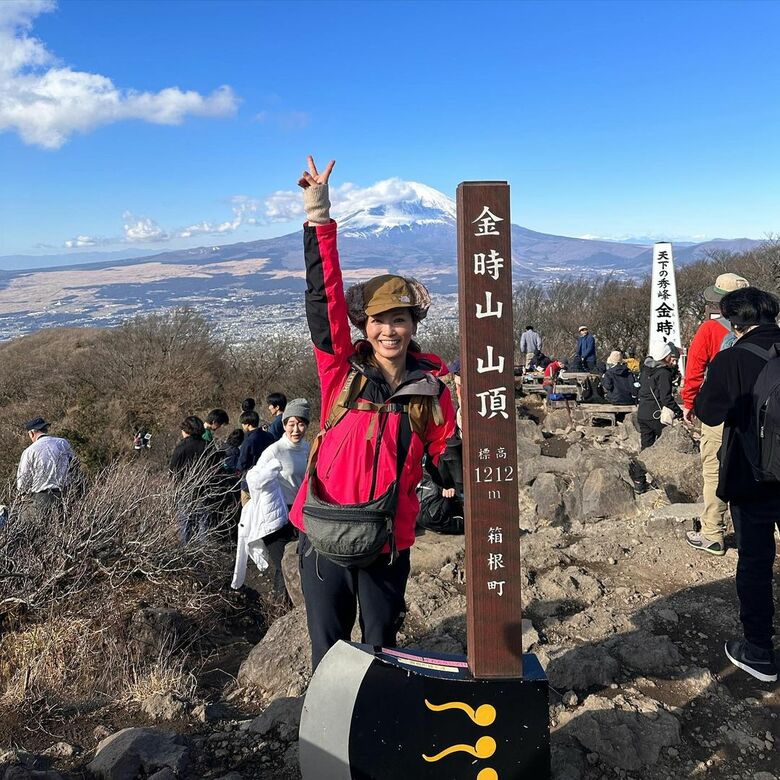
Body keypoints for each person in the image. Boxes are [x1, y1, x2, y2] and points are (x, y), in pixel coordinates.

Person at [290, 156, 456, 670]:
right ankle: (329, 746)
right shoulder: (341, 373)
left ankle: (377, 738)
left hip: (387, 538)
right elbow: (325, 302)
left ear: (413, 324)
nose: (389, 330)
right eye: (379, 320)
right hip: (322, 529)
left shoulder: (430, 390)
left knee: (383, 643)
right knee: (329, 650)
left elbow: (448, 451)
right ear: (365, 325)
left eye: (399, 320)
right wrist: (319, 217)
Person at [692, 286, 780, 682]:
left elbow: (708, 412)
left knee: (758, 561)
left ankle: (759, 651)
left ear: (734, 321)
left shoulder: (733, 359)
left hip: (753, 476)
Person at [682, 272, 750, 556]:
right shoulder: (761, 330)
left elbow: (695, 370)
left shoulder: (710, 330)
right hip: (754, 413)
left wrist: (689, 403)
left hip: (719, 413)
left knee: (714, 472)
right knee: (756, 469)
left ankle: (712, 533)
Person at [234, 398, 311, 604]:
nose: (296, 429)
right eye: (291, 424)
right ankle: (280, 614)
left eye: (301, 423)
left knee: (298, 564)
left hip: (299, 515)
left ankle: (286, 613)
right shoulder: (274, 451)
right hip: (276, 517)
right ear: (284, 424)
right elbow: (252, 478)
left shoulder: (308, 449)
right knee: (283, 566)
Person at [16, 417, 78, 512]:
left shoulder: (29, 451)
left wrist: (23, 495)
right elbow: (74, 465)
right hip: (66, 495)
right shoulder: (63, 443)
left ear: (32, 433)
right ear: (45, 429)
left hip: (42, 498)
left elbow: (23, 480)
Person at [169, 415, 213, 541]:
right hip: (205, 489)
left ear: (186, 430)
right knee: (203, 525)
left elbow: (173, 471)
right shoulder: (208, 446)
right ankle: (205, 554)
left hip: (185, 490)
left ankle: (186, 555)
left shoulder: (181, 447)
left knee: (186, 526)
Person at [637, 342, 682, 449]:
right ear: (666, 356)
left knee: (646, 447)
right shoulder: (663, 373)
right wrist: (678, 412)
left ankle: (643, 464)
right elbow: (666, 398)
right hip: (656, 414)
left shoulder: (645, 369)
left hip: (642, 412)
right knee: (664, 446)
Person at [237, 409, 274, 505]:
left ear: (248, 424)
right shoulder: (269, 436)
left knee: (247, 512)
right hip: (267, 479)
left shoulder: (248, 441)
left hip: (249, 482)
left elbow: (242, 463)